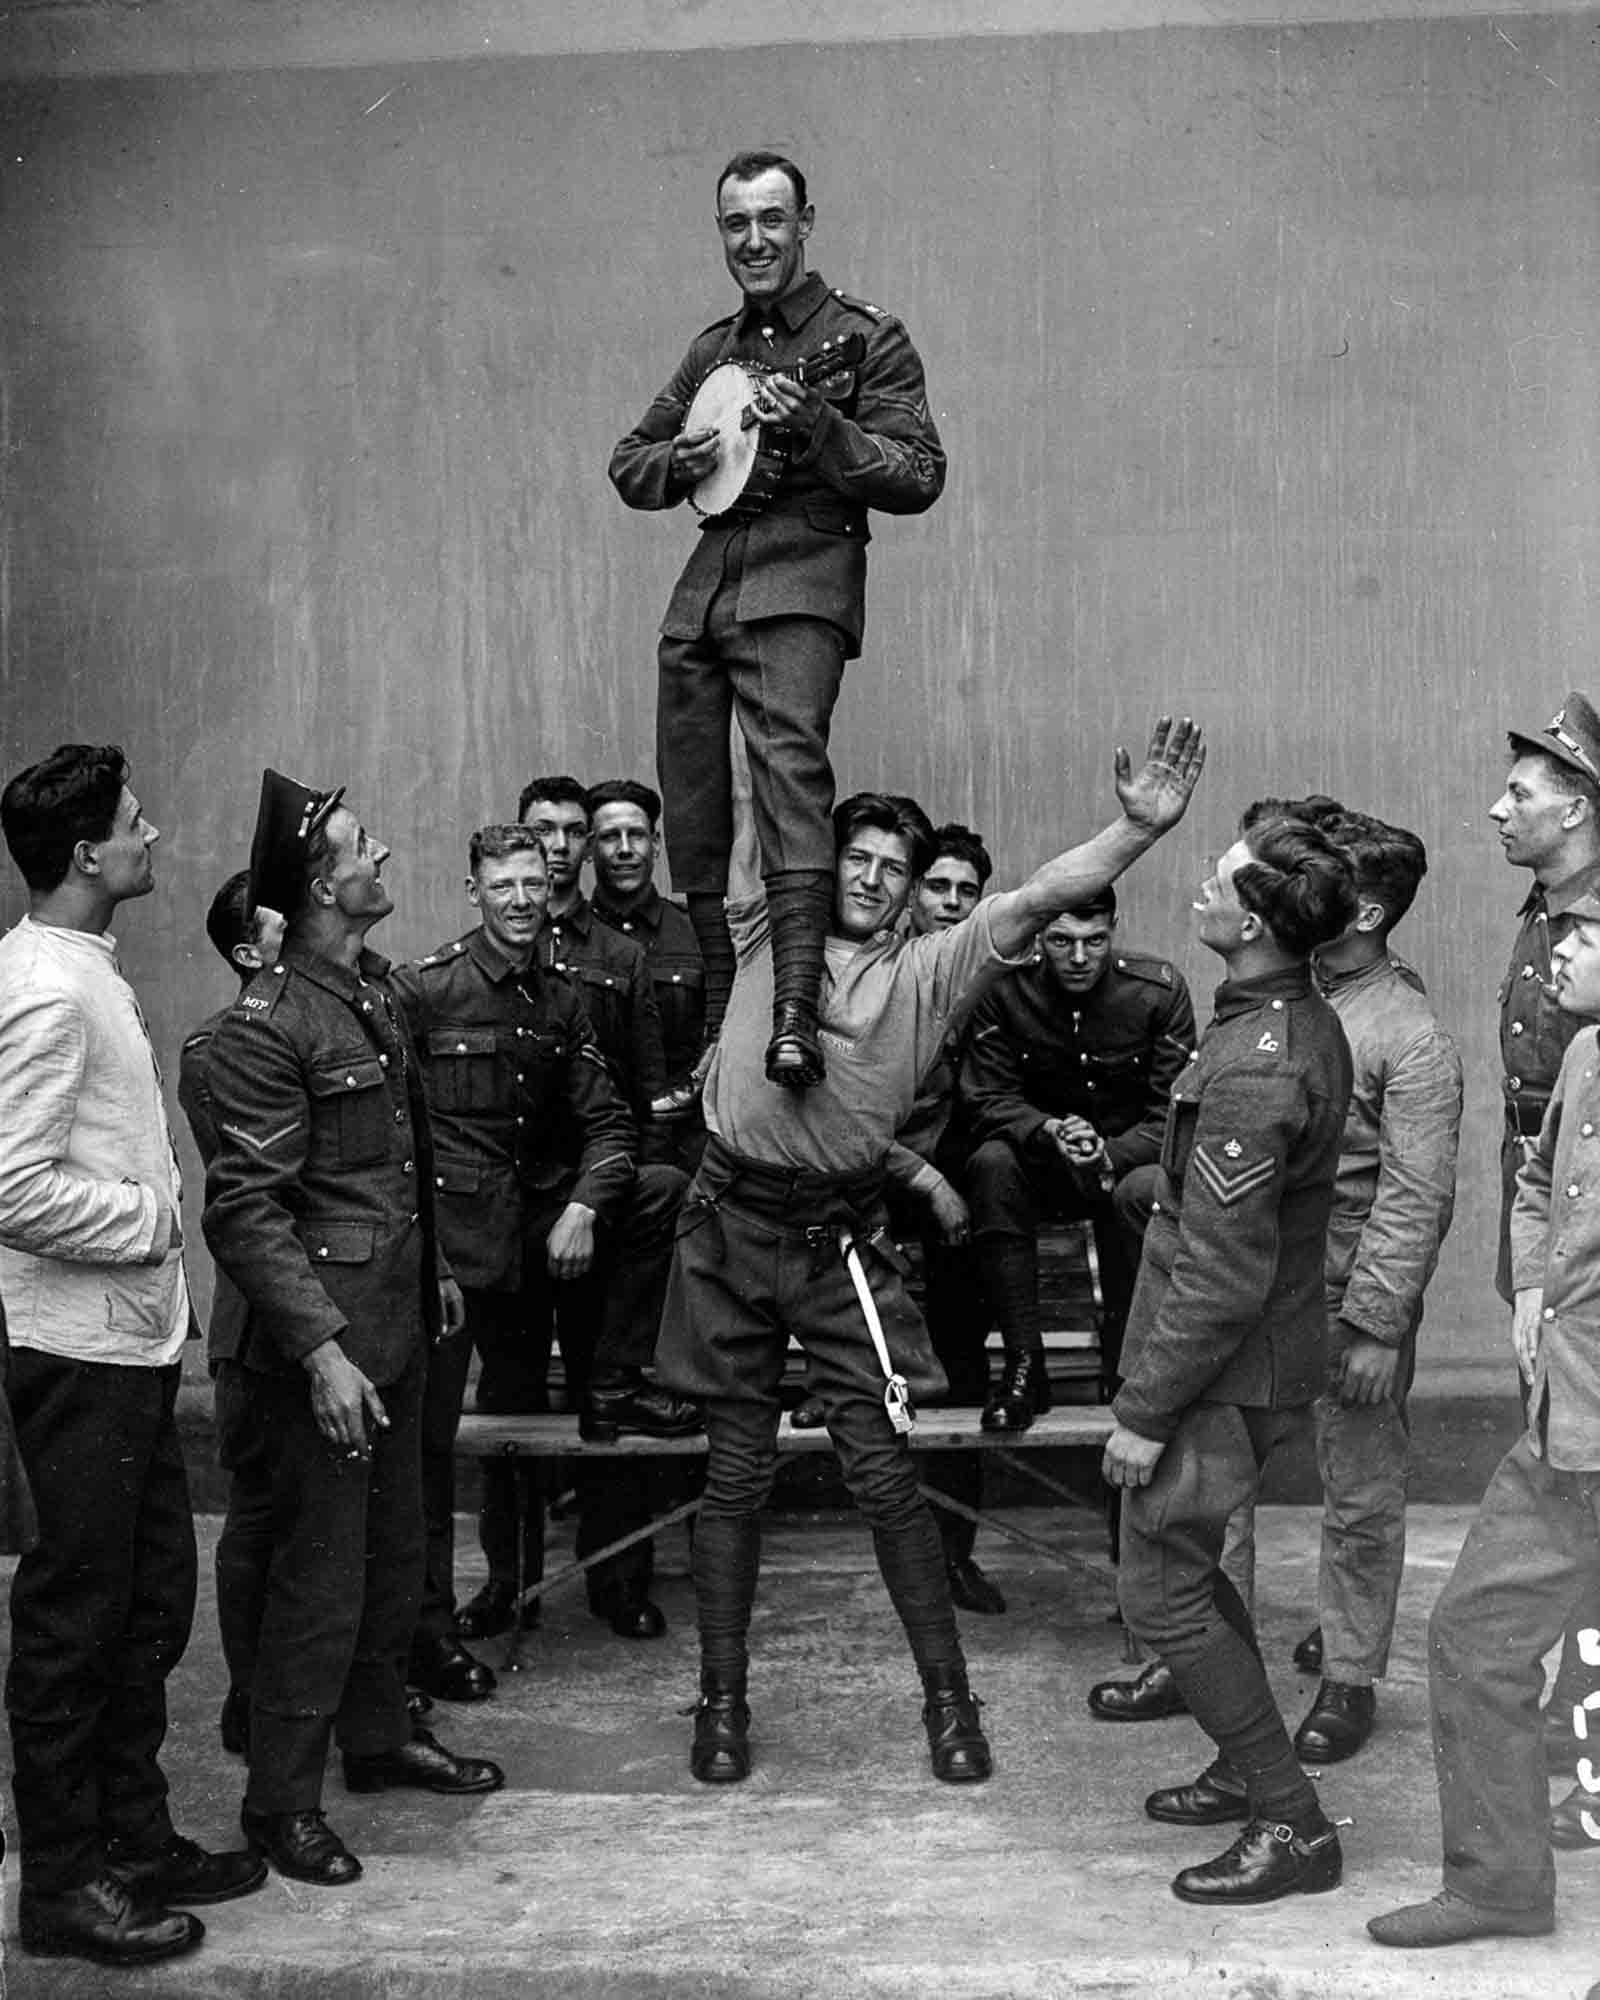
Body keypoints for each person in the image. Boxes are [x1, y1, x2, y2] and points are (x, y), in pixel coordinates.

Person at [655, 717, 1205, 1791]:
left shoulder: (935, 966)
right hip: (724, 1224)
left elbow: (1043, 895)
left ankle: (950, 1705)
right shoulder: (771, 924)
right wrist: (740, 691)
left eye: (889, 868)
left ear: (913, 889)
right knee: (732, 1478)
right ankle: (720, 1707)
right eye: (852, 859)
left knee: (885, 1478)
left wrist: (1134, 830)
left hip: (832, 1241)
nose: (866, 878)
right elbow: (739, 812)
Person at [202, 771, 502, 1891]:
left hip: (397, 1326)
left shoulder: (370, 990)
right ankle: (280, 1801)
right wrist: (322, 1350)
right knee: (317, 1577)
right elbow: (245, 1208)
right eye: (359, 842)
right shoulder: (268, 1023)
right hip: (326, 1350)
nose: (382, 848)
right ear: (322, 884)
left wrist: (431, 1285)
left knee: (393, 1554)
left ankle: (376, 1740)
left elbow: (392, 1170)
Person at [0, 745, 263, 1968]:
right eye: (132, 821)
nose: (151, 832)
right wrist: (154, 1220)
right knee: (80, 1614)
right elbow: (11, 1184)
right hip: (75, 1350)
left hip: (131, 1344)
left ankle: (133, 1835)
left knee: (148, 1597)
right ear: (85, 856)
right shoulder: (45, 989)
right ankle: (61, 1885)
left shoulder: (82, 968)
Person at [609, 149, 945, 1090]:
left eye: (771, 221)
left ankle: (794, 1009)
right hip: (706, 587)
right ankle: (725, 998)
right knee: (694, 791)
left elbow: (919, 474)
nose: (754, 241)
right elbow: (628, 461)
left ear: (806, 224)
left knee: (790, 775)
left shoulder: (864, 337)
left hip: (803, 578)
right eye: (735, 225)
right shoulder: (713, 350)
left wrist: (824, 430)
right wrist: (682, 459)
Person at [1098, 808, 1357, 1908]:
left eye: (1216, 883)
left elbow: (1219, 1272)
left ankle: (1291, 1822)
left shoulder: (1258, 1063)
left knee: (1158, 1589)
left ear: (1249, 922)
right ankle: (1243, 1762)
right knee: (1191, 1568)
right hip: (1243, 1357)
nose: (1198, 891)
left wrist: (1143, 1410)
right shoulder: (1274, 1017)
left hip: (1215, 1370)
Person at [391, 824, 694, 1665]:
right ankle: (501, 1585)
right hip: (475, 1250)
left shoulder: (562, 998)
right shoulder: (426, 990)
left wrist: (587, 1207)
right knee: (503, 1418)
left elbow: (608, 1120)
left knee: (609, 1413)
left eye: (532, 884)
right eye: (503, 887)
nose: (521, 902)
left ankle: (619, 1581)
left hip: (558, 1233)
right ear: (473, 891)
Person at [1366, 887, 1600, 1950]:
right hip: (1570, 1421)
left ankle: (1501, 1882)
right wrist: (1540, 1293)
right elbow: (1540, 1170)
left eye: (1587, 938)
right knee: (1473, 1636)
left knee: (1474, 1636)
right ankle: (1501, 1879)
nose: (1560, 954)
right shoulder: (1587, 1055)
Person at [1269, 806, 1462, 1765]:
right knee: (1214, 1478)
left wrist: (1378, 1325)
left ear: (1370, 911)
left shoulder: (1410, 1033)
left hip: (1350, 1298)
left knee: (1358, 1496)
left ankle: (1350, 1674)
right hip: (1256, 1286)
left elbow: (1416, 1193)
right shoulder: (1285, 992)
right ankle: (1188, 1655)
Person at [960, 884, 1195, 1431]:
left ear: (1117, 925)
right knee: (992, 1165)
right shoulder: (1005, 991)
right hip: (1041, 1160)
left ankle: (1127, 1368)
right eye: (1062, 941)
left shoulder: (1157, 992)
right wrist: (1045, 1131)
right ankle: (1024, 1365)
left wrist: (1107, 1154)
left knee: (1144, 1191)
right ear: (1039, 933)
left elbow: (1174, 1114)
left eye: (1095, 940)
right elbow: (986, 1098)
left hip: (1124, 1166)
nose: (1080, 957)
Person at [1488, 692, 1600, 1781]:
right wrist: (1525, 1277)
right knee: (1554, 1469)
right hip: (1543, 1212)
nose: (1498, 808)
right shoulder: (1542, 909)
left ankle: (1586, 1735)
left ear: (1575, 806)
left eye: (1519, 793)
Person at [177, 872, 290, 1758]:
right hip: (260, 1324)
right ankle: (251, 1696)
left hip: (334, 1311)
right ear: (250, 953)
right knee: (259, 1511)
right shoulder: (216, 1051)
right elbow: (260, 1199)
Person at [518, 774, 666, 1123]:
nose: (559, 846)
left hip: (606, 1146)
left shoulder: (622, 953)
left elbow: (649, 1081)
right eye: (543, 830)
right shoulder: (501, 944)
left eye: (573, 832)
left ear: (587, 846)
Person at [585, 777, 709, 1171]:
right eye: (609, 837)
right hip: (595, 1144)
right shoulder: (570, 938)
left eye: (636, 835)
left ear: (655, 843)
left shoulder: (696, 933)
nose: (624, 850)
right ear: (589, 847)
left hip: (682, 1143)